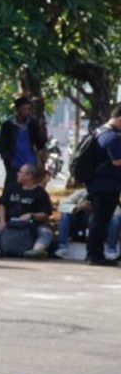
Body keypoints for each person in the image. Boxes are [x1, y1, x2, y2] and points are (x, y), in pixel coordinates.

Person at [0, 164, 54, 257]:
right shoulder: (12, 188)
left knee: (46, 232)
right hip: (9, 222)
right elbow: (2, 205)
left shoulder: (41, 193)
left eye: (20, 172)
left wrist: (32, 215)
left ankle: (36, 251)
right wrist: (2, 221)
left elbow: (45, 214)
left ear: (29, 176)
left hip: (31, 225)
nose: (17, 174)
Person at [82, 104, 121, 265]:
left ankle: (93, 254)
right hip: (107, 185)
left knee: (97, 220)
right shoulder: (112, 137)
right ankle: (95, 256)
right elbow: (117, 161)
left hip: (96, 184)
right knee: (100, 221)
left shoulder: (99, 133)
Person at [0, 97, 47, 194]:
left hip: (30, 164)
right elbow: (2, 146)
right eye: (24, 109)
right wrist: (8, 160)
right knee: (10, 190)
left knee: (31, 190)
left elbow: (40, 143)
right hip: (15, 165)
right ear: (17, 110)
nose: (27, 112)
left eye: (29, 109)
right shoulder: (8, 125)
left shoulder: (32, 124)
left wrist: (42, 135)